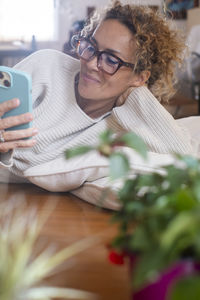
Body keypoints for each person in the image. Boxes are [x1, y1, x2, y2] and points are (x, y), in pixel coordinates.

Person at [0, 1, 198, 188]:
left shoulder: (122, 126)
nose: (92, 64)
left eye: (111, 60)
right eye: (91, 47)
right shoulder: (46, 66)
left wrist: (138, 95)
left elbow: (184, 156)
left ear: (140, 77)